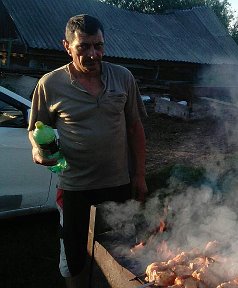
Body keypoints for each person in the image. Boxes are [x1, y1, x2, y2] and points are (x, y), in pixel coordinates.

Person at [28, 14, 147, 287]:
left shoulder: (123, 77)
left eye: (99, 46)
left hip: (118, 183)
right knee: (74, 257)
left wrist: (139, 175)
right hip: (74, 187)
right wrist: (38, 152)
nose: (93, 54)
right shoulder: (50, 84)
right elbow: (36, 130)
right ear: (67, 46)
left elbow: (135, 128)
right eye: (84, 47)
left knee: (121, 252)